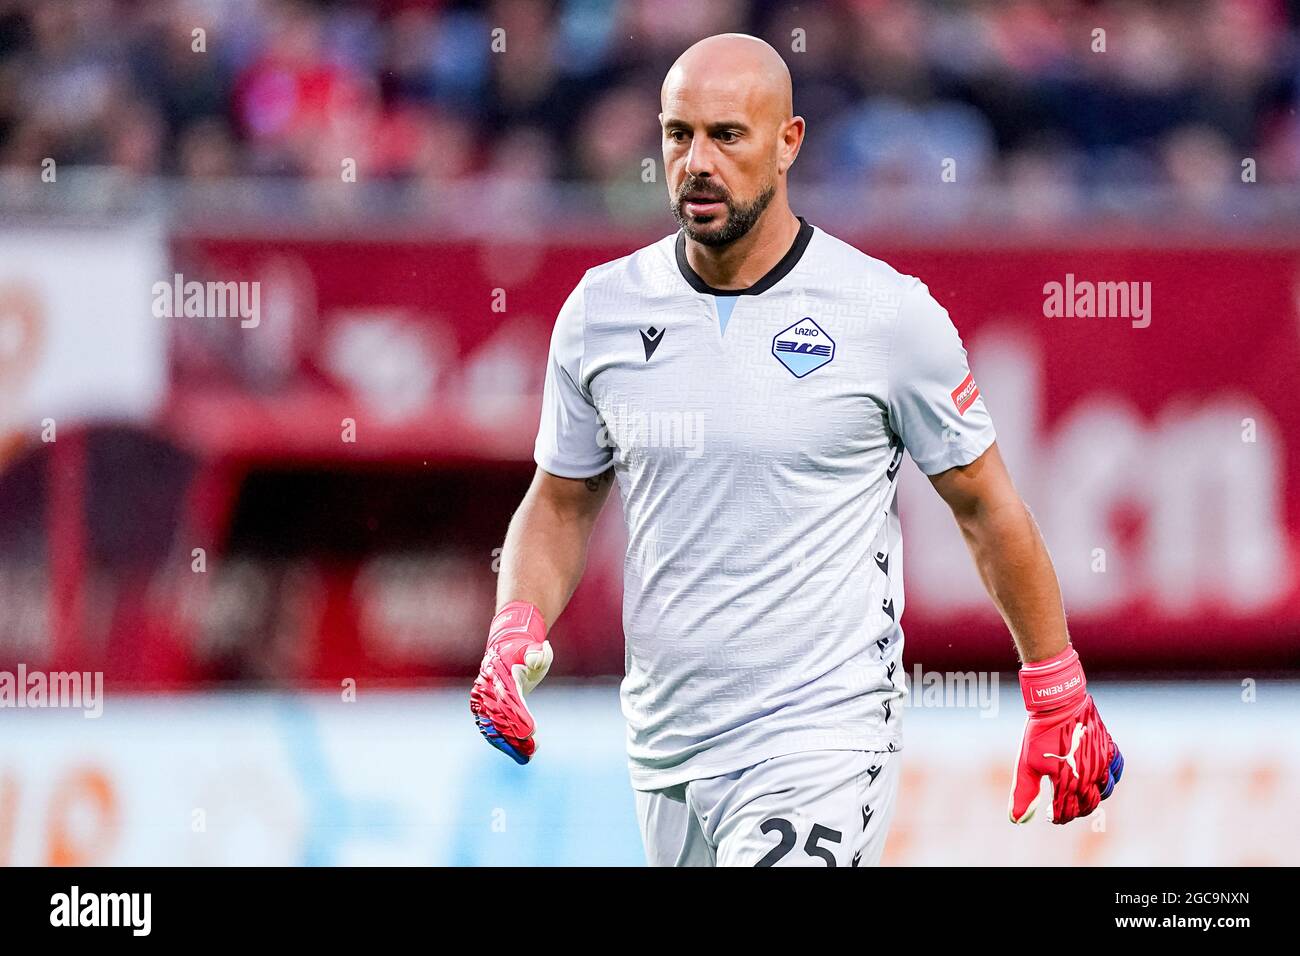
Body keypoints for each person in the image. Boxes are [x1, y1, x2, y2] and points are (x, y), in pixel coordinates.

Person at [470, 33, 1122, 867]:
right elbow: (561, 500)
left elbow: (985, 504)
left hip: (825, 738)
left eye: (727, 135)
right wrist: (515, 624)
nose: (696, 162)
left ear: (789, 143)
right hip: (665, 745)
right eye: (678, 134)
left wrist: (1054, 684)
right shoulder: (601, 310)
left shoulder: (885, 314)